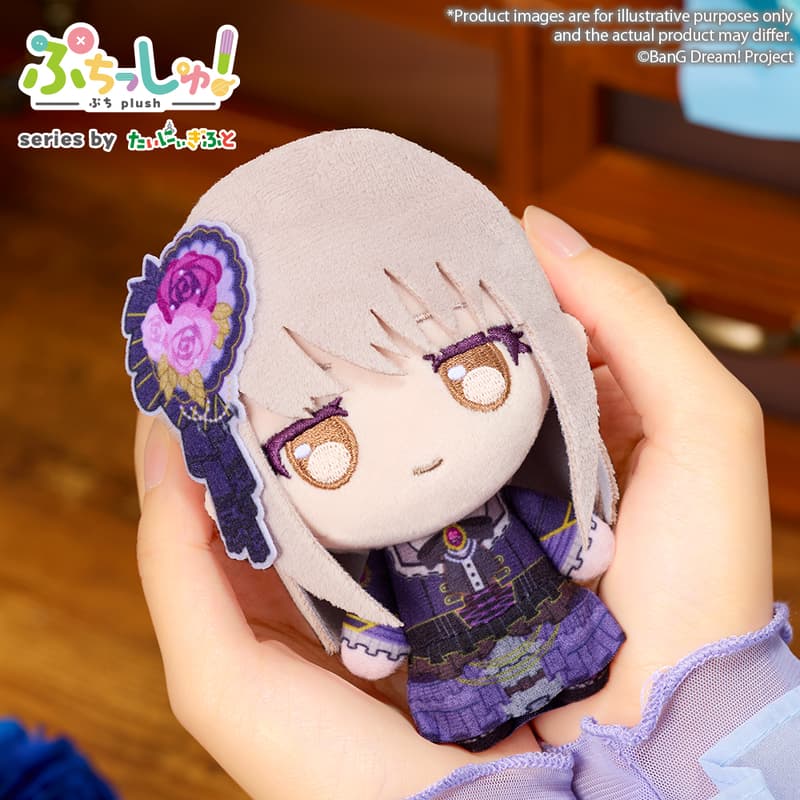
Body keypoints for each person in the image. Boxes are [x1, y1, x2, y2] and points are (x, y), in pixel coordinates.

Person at [133, 207, 797, 799]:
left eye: (465, 371)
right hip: (454, 662)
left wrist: (578, 543)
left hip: (557, 620)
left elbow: (549, 519)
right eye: (323, 444)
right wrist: (714, 706)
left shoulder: (511, 493)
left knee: (566, 648)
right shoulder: (381, 549)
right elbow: (375, 597)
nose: (417, 450)